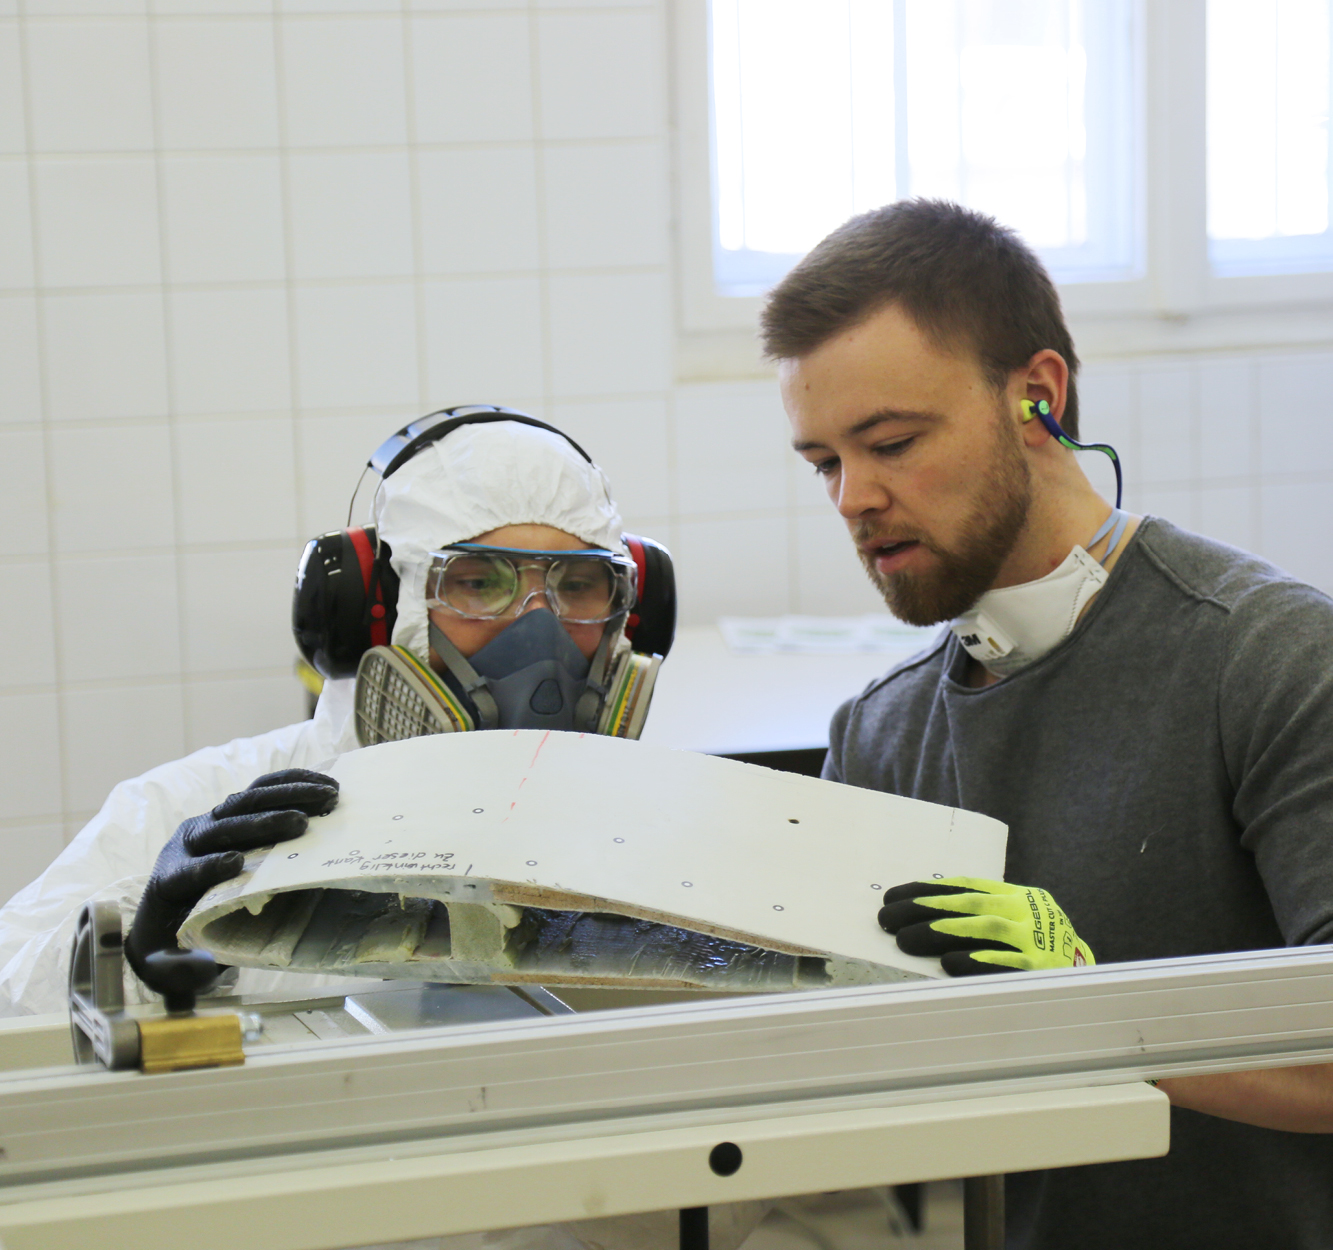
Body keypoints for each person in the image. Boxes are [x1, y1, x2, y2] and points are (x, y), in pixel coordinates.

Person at [762, 199, 1333, 1249]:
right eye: (824, 462)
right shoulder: (880, 737)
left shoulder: (1270, 660)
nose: (852, 496)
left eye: (889, 441)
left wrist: (1081, 1003)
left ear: (1037, 397)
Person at [0, 412, 670, 1015]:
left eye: (577, 585)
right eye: (479, 582)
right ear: (377, 609)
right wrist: (139, 939)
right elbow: (11, 1002)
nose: (538, 629)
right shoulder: (191, 811)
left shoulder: (663, 837)